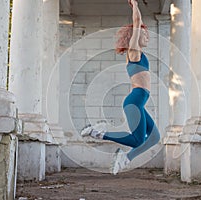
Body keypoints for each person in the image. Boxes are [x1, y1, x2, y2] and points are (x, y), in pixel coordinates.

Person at [80, 0, 160, 175]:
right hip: (134, 101)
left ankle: (124, 157)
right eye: (145, 35)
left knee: (154, 137)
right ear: (135, 36)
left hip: (138, 102)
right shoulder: (134, 52)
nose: (147, 38)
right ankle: (100, 133)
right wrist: (136, 5)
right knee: (138, 140)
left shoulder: (138, 54)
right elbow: (137, 23)